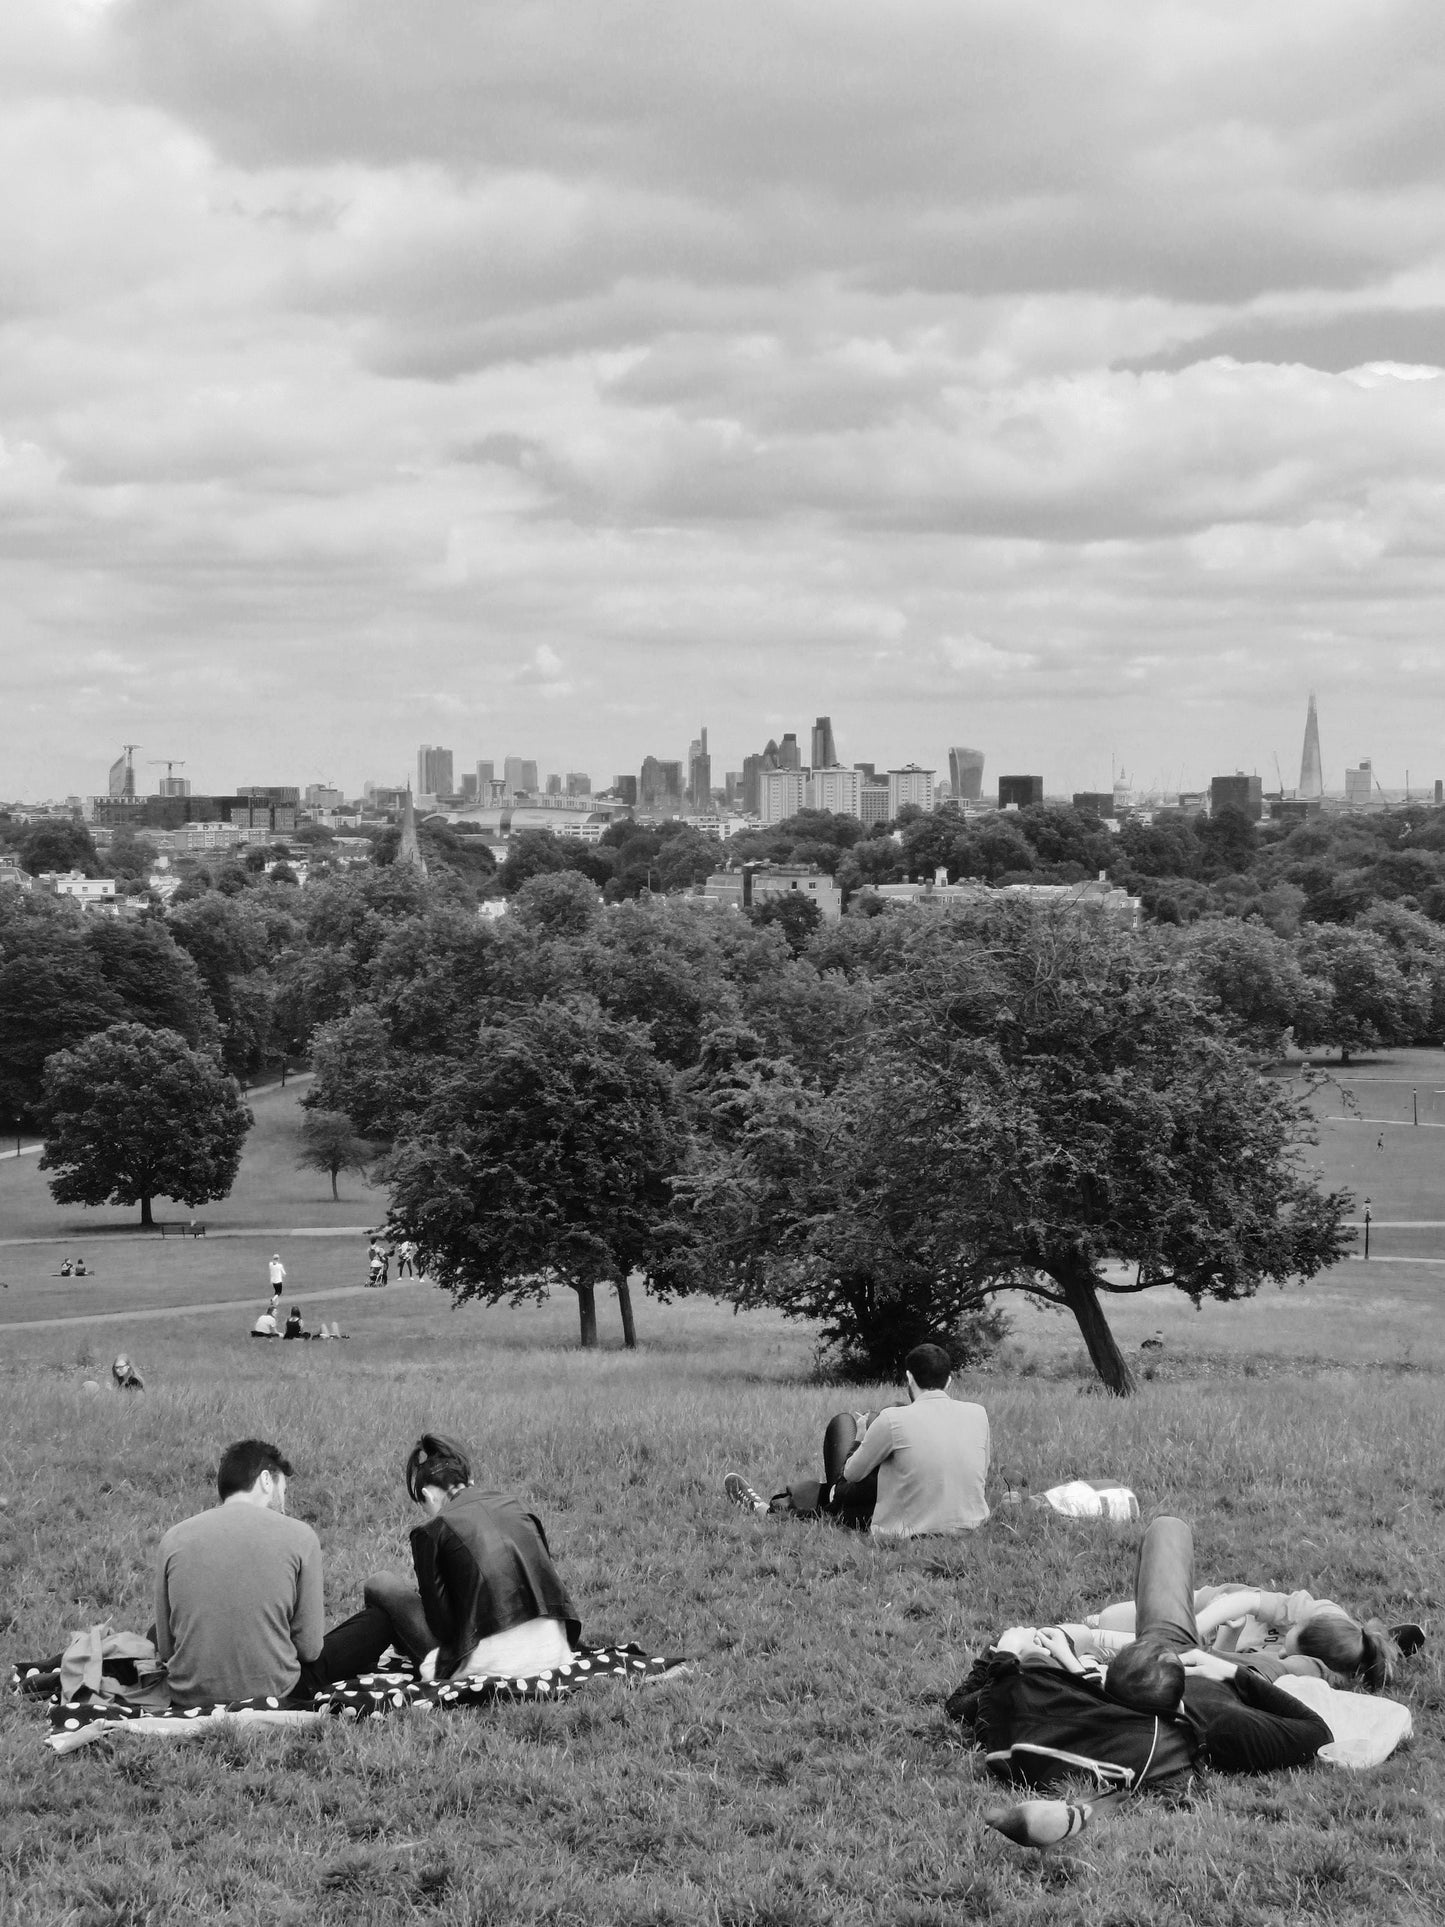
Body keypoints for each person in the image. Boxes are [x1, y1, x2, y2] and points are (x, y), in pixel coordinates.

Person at [153, 1438, 399, 1707]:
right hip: (279, 1690)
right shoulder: (300, 1536)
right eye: (284, 1490)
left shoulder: (173, 1538)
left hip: (187, 1694)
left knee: (158, 1628)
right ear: (266, 1480)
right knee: (379, 1620)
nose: (283, 1502)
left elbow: (166, 1649)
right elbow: (309, 1649)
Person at [362, 1432, 581, 1680]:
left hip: (488, 1667)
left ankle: (385, 1652)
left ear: (427, 1495)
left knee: (380, 1583)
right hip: (556, 1653)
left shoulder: (431, 1531)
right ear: (470, 1482)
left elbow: (442, 1627)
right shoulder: (517, 1506)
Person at [724, 1342, 990, 1538]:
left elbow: (850, 1474)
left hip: (909, 1527)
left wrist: (862, 1437)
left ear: (909, 1378)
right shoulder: (979, 1415)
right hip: (967, 1525)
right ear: (949, 1381)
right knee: (869, 1476)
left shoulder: (893, 1418)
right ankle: (809, 1499)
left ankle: (766, 1508)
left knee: (844, 1438)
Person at [1088, 1581, 1403, 1691]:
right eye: (1293, 1626)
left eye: (1292, 1636)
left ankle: (1087, 1638)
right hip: (1216, 1605)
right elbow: (1245, 1602)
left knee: (1110, 1642)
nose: (1290, 1627)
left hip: (1215, 1646)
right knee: (1106, 1618)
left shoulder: (1295, 1675)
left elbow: (1219, 1659)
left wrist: (1229, 1633)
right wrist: (1187, 1631)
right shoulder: (1321, 1614)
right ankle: (1091, 1630)